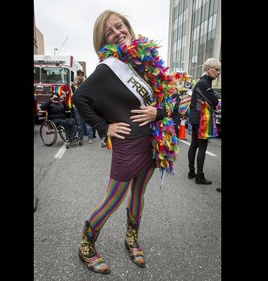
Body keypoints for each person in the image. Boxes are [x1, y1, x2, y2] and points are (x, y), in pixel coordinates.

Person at [72, 10, 178, 274]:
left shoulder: (143, 62)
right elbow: (80, 98)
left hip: (152, 141)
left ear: (128, 27)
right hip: (128, 145)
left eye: (119, 26)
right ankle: (86, 243)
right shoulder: (108, 69)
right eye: (110, 31)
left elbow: (169, 100)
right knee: (113, 200)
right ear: (103, 39)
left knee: (139, 193)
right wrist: (103, 127)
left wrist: (159, 112)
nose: (117, 32)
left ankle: (131, 239)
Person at [187, 58, 221, 185]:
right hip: (201, 119)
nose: (218, 73)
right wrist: (214, 102)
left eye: (219, 70)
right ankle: (199, 176)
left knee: (195, 144)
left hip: (196, 118)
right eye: (216, 70)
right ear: (208, 69)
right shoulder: (204, 83)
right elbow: (215, 101)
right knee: (202, 146)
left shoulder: (203, 82)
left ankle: (192, 171)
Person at [71, 70, 94, 144]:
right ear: (77, 76)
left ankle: (90, 138)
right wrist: (73, 104)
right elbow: (72, 95)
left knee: (88, 122)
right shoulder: (73, 85)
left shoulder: (86, 84)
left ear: (83, 76)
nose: (80, 76)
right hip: (77, 107)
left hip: (85, 106)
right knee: (79, 123)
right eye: (79, 75)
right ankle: (80, 138)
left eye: (81, 75)